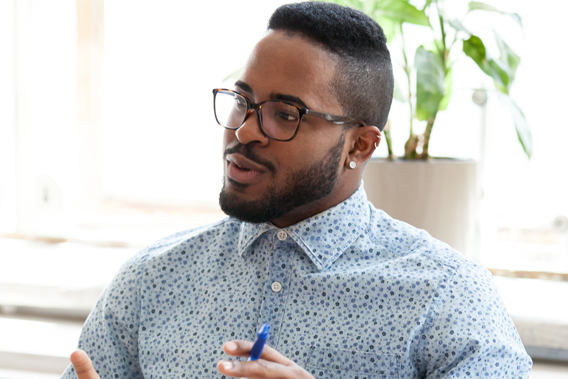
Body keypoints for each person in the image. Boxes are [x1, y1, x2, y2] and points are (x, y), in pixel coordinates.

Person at [63, 2, 532, 379]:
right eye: (243, 101)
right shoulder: (152, 280)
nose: (245, 131)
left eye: (285, 114)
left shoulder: (447, 298)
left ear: (360, 145)